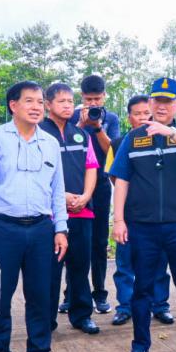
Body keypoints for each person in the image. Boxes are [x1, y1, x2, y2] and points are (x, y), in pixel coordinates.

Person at [0, 81, 69, 352]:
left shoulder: (49, 142)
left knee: (40, 295)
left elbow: (58, 189)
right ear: (13, 105)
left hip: (41, 229)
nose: (36, 107)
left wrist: (61, 228)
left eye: (40, 101)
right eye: (29, 101)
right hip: (3, 228)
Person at [111, 77, 176, 352]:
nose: (162, 106)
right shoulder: (134, 138)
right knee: (142, 289)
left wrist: (171, 133)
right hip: (143, 227)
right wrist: (119, 220)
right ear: (150, 103)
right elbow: (121, 180)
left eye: (168, 102)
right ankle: (140, 347)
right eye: (157, 101)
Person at [40, 82, 100, 335]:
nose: (67, 106)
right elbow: (36, 172)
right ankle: (46, 319)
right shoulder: (38, 133)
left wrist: (85, 196)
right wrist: (60, 197)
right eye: (61, 101)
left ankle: (82, 315)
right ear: (48, 104)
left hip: (81, 211)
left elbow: (91, 167)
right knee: (50, 269)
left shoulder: (81, 134)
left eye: (70, 101)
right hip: (51, 214)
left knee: (80, 266)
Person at [110, 95, 173, 326]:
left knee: (159, 264)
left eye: (147, 112)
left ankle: (160, 305)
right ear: (129, 118)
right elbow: (115, 178)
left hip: (160, 217)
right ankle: (125, 306)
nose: (143, 117)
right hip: (130, 214)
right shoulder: (120, 142)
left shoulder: (169, 138)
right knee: (125, 263)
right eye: (137, 114)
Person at [67, 75, 120, 315]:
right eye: (89, 99)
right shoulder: (71, 116)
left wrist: (97, 127)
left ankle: (100, 293)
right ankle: (71, 294)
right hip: (74, 186)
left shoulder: (111, 119)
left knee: (99, 241)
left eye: (97, 99)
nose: (93, 104)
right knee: (73, 241)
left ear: (104, 96)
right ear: (82, 97)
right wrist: (80, 124)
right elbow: (66, 147)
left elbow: (112, 151)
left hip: (100, 184)